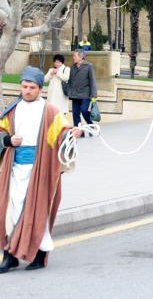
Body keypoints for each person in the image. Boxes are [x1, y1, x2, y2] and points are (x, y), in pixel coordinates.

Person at [0, 66, 83, 274]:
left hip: (40, 170)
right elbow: (1, 134)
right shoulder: (11, 111)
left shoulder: (50, 112)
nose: (27, 90)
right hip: (13, 170)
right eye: (24, 86)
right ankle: (9, 256)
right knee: (8, 212)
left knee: (37, 213)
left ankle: (39, 254)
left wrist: (73, 133)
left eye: (32, 87)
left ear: (40, 89)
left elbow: (62, 135)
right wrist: (8, 140)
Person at [67, 50, 97, 127]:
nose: (73, 57)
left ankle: (90, 124)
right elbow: (70, 80)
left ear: (81, 57)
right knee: (75, 113)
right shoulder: (73, 67)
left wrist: (94, 94)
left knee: (84, 110)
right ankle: (78, 130)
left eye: (75, 56)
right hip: (75, 94)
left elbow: (92, 80)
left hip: (85, 94)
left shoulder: (89, 66)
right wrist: (69, 91)